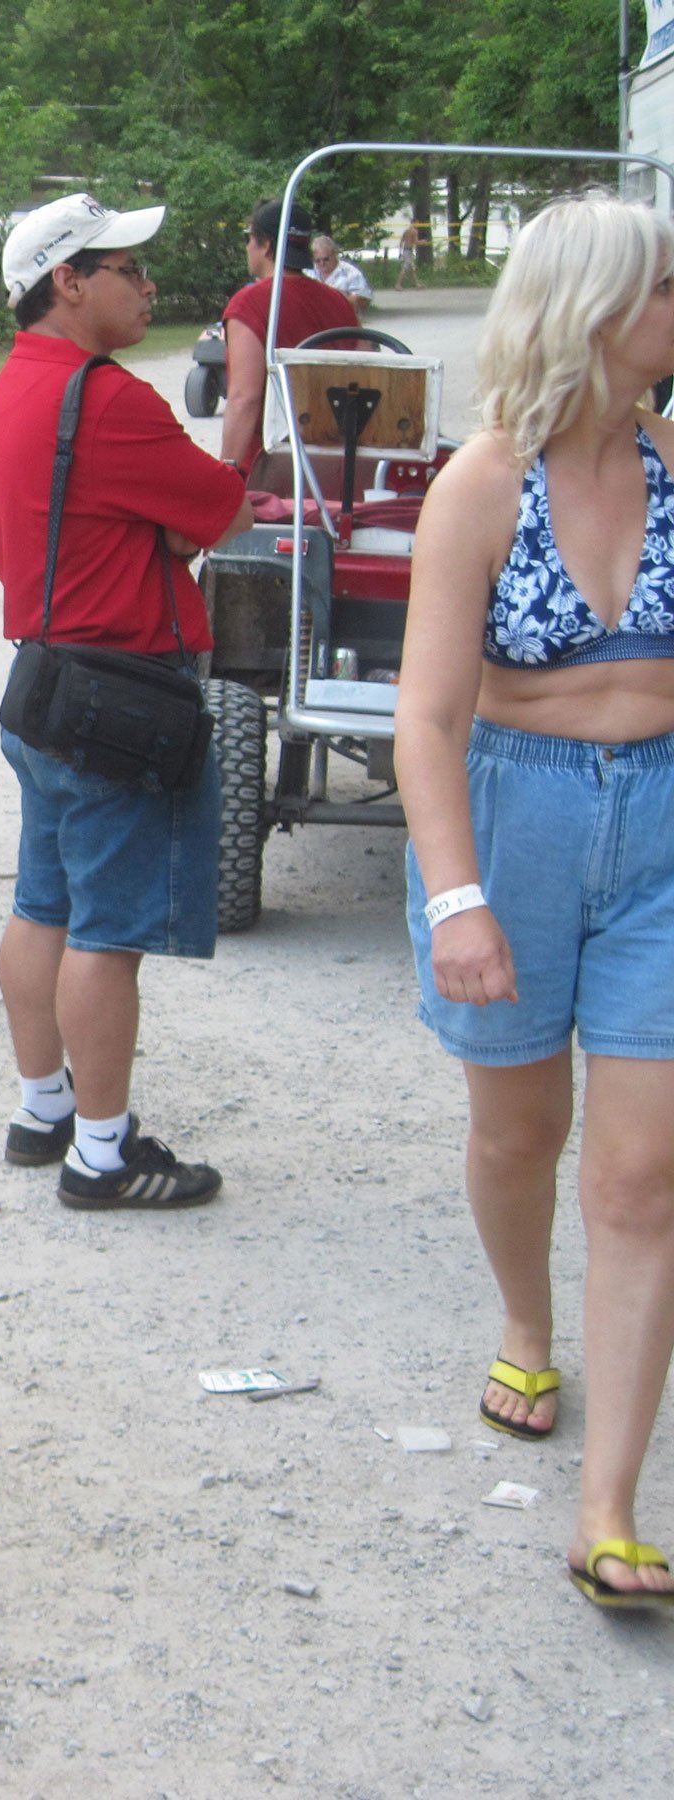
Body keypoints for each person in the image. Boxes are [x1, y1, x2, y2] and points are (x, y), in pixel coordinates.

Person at [394, 192, 674, 1608]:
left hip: (665, 832)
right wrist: (458, 898)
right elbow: (427, 719)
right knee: (521, 1133)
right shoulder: (483, 483)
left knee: (641, 1175)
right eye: (668, 287)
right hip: (515, 821)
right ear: (600, 310)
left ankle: (607, 1508)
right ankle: (524, 1319)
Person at [0, 191, 252, 1209]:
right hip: (122, 696)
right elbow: (219, 507)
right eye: (127, 270)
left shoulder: (17, 385)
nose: (147, 284)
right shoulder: (111, 399)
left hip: (47, 683)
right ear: (68, 282)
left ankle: (42, 1106)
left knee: (40, 905)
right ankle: (100, 1154)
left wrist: (162, 528)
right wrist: (168, 533)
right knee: (107, 935)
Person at [219, 200, 364, 473]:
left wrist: (225, 475)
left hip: (270, 465)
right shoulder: (340, 302)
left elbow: (245, 399)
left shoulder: (248, 304)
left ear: (265, 245)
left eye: (248, 238)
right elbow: (365, 374)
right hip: (335, 464)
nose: (247, 247)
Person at [309, 233, 373, 312]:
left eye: (326, 259)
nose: (322, 263)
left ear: (335, 254)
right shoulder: (309, 272)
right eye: (317, 260)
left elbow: (363, 299)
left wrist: (333, 300)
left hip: (342, 316)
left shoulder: (351, 273)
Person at [397, 216, 425, 290]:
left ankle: (417, 284)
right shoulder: (414, 231)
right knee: (405, 268)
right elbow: (416, 242)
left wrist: (400, 252)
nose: (418, 225)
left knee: (412, 269)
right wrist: (422, 242)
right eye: (417, 223)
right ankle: (398, 284)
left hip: (405, 251)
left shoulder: (406, 231)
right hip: (409, 251)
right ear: (414, 223)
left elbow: (401, 242)